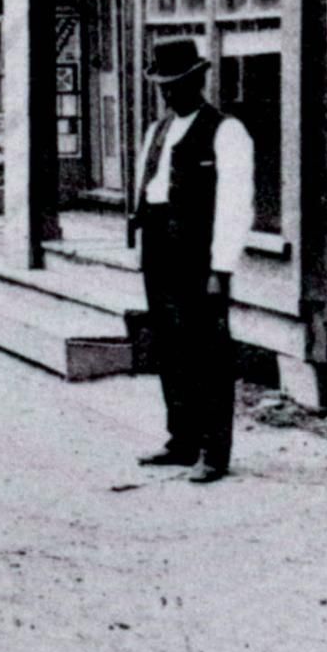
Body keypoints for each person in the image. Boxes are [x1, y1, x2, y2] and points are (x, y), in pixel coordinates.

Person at [131, 39, 255, 484]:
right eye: (164, 86)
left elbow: (236, 206)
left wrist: (221, 268)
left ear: (198, 81)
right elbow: (147, 189)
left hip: (199, 254)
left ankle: (213, 451)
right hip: (159, 248)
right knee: (169, 345)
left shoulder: (226, 132)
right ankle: (181, 439)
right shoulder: (156, 132)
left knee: (207, 351)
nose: (170, 94)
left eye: (178, 84)